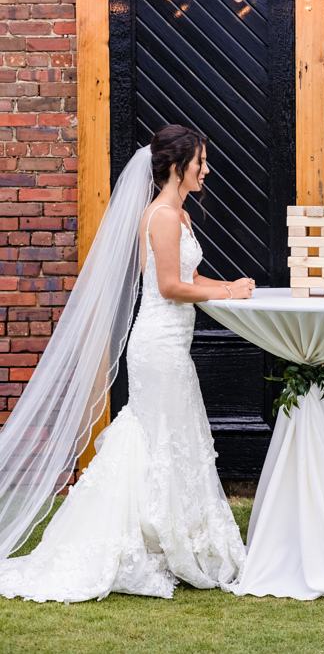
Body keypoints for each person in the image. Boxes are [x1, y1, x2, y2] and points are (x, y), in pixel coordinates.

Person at [0, 125, 254, 603]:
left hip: (173, 343)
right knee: (162, 435)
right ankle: (150, 538)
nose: (206, 169)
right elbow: (169, 287)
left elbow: (190, 274)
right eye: (200, 161)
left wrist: (229, 287)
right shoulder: (160, 216)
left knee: (171, 436)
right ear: (178, 167)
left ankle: (166, 533)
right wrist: (226, 292)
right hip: (157, 345)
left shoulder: (180, 215)